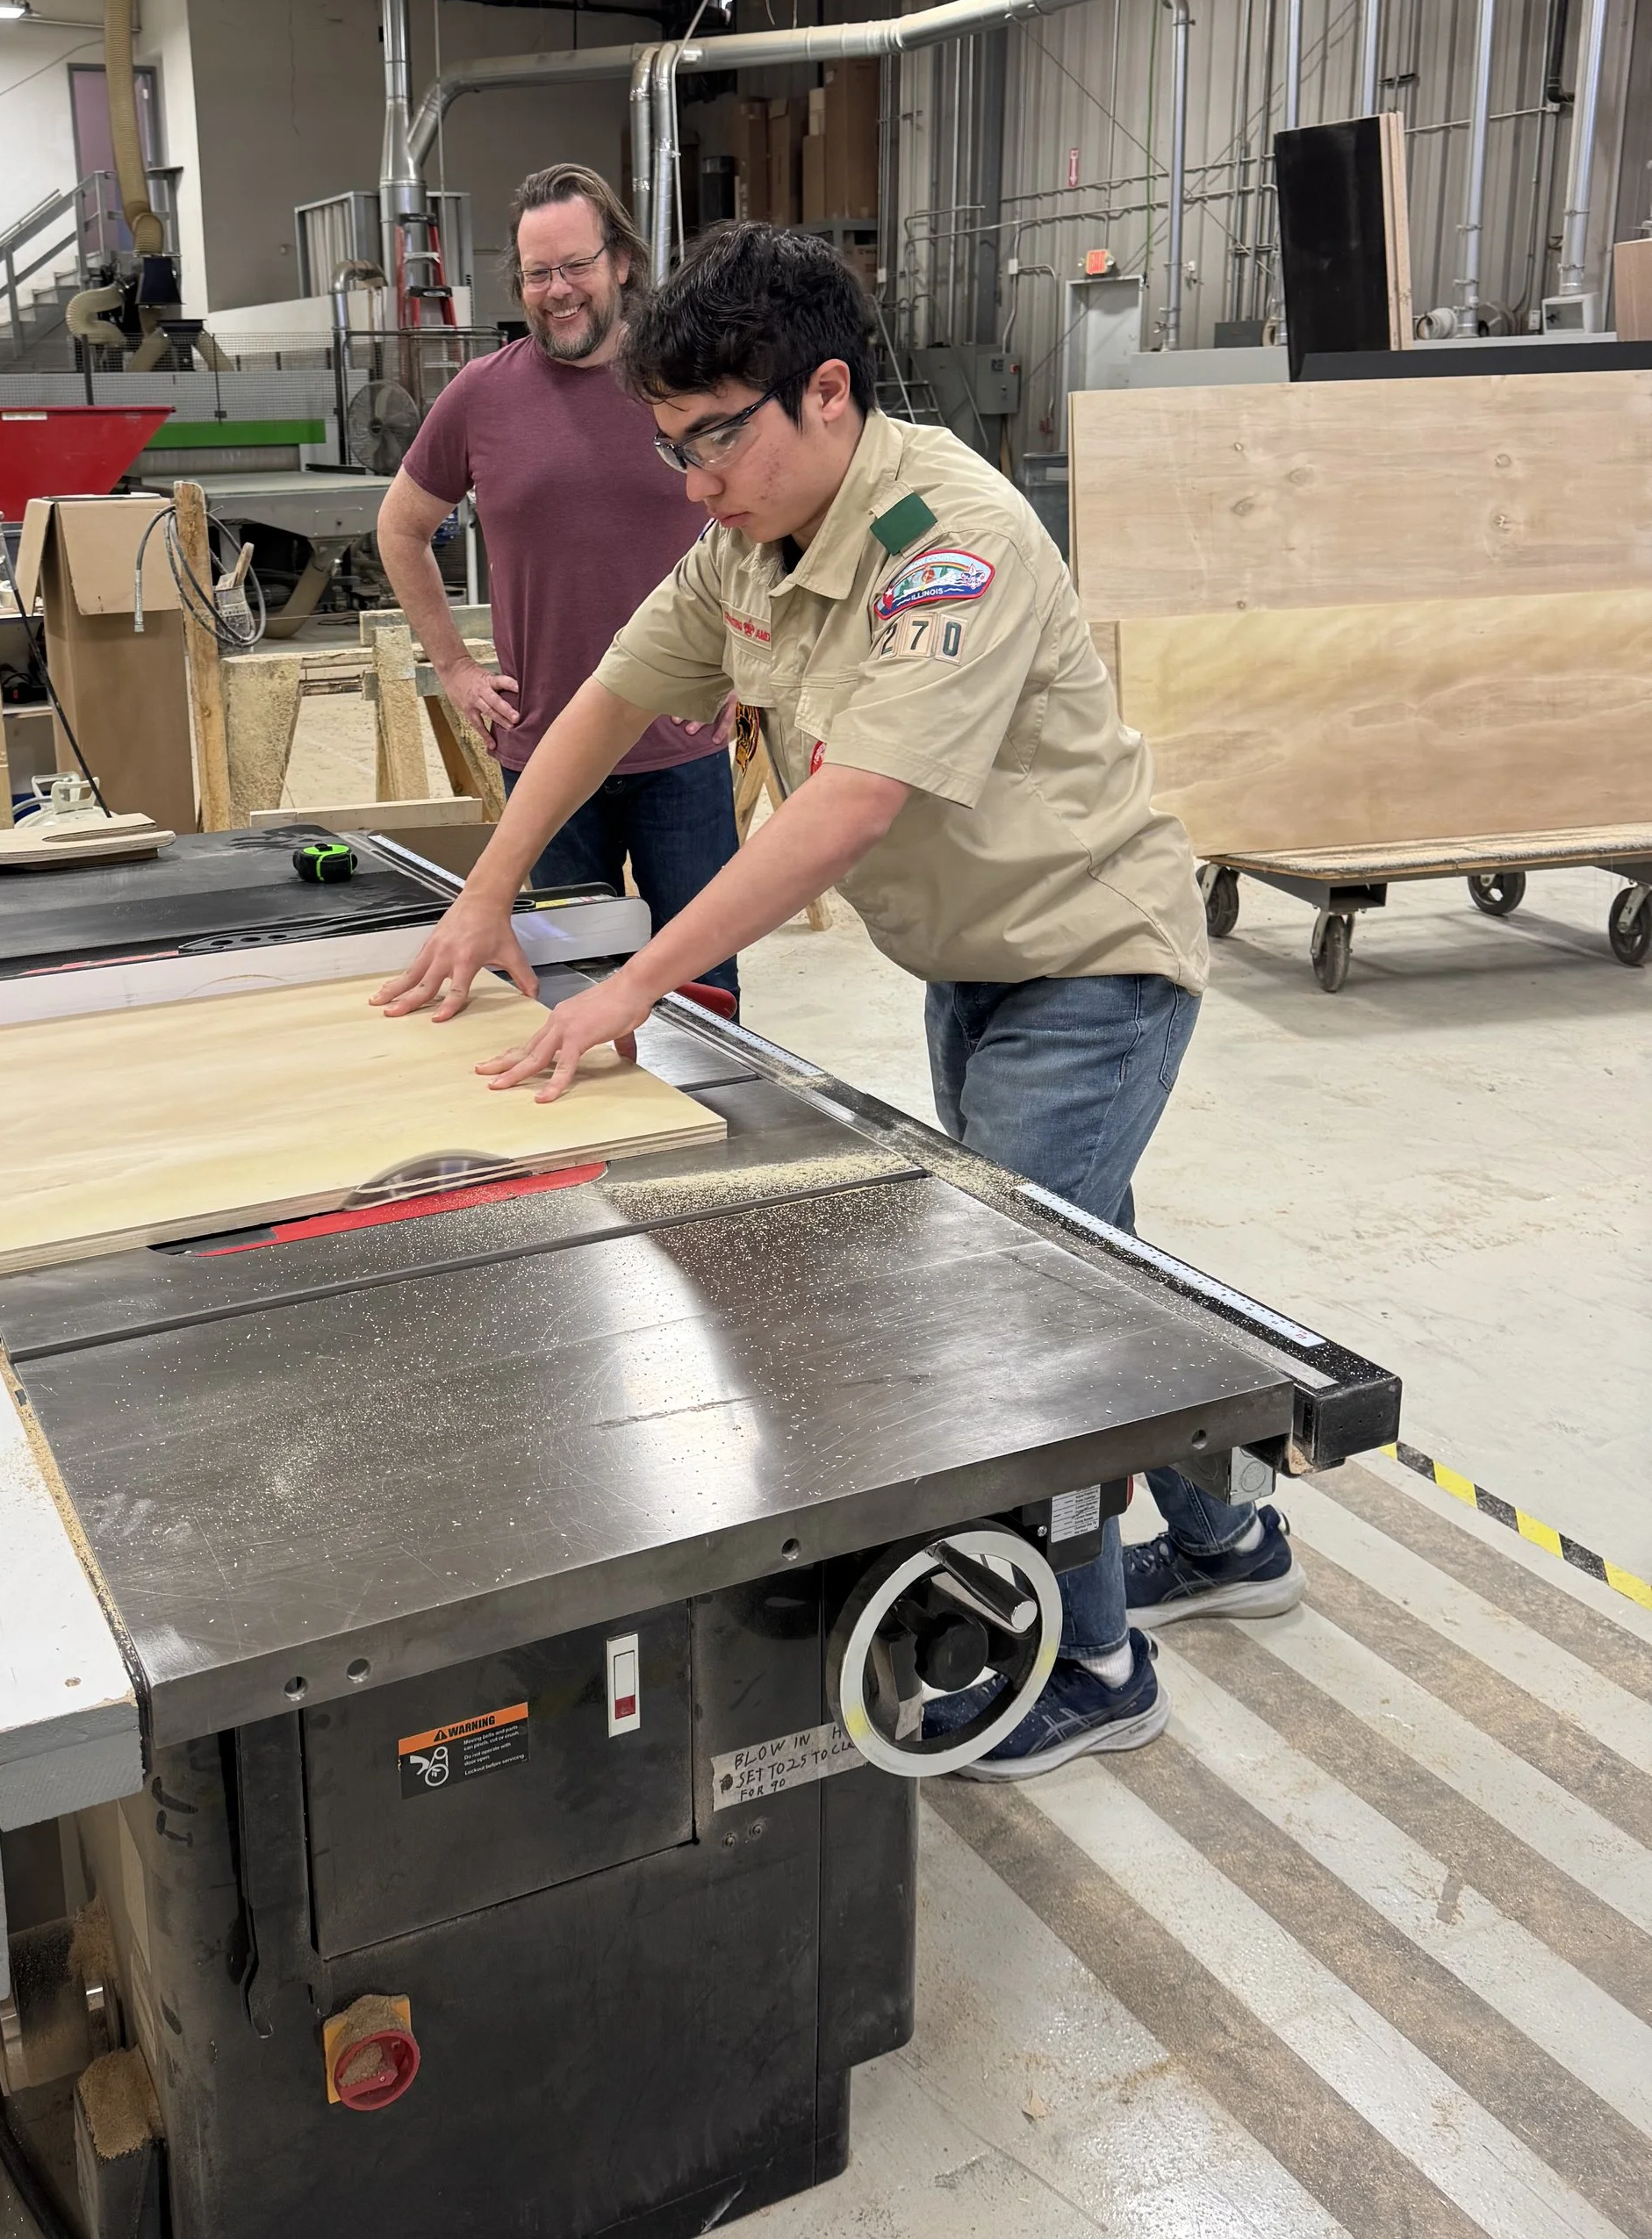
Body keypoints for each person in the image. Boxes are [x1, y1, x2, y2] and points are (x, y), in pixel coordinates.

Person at [376, 222, 1302, 1779]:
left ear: (824, 394)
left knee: (1023, 1312)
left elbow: (849, 804)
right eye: (669, 446)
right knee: (1104, 1271)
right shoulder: (749, 542)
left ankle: (1093, 1661)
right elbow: (607, 698)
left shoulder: (957, 536)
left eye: (713, 440)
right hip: (974, 961)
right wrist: (485, 892)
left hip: (1089, 956)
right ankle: (1226, 1536)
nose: (692, 483)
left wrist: (634, 988)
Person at [377, 163, 741, 1001]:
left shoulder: (687, 386)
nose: (558, 290)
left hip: (677, 748)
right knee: (560, 989)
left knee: (703, 992)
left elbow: (760, 527)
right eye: (538, 272)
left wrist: (745, 665)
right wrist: (455, 667)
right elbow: (400, 528)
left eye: (575, 264)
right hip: (545, 754)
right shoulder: (480, 395)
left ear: (619, 261)